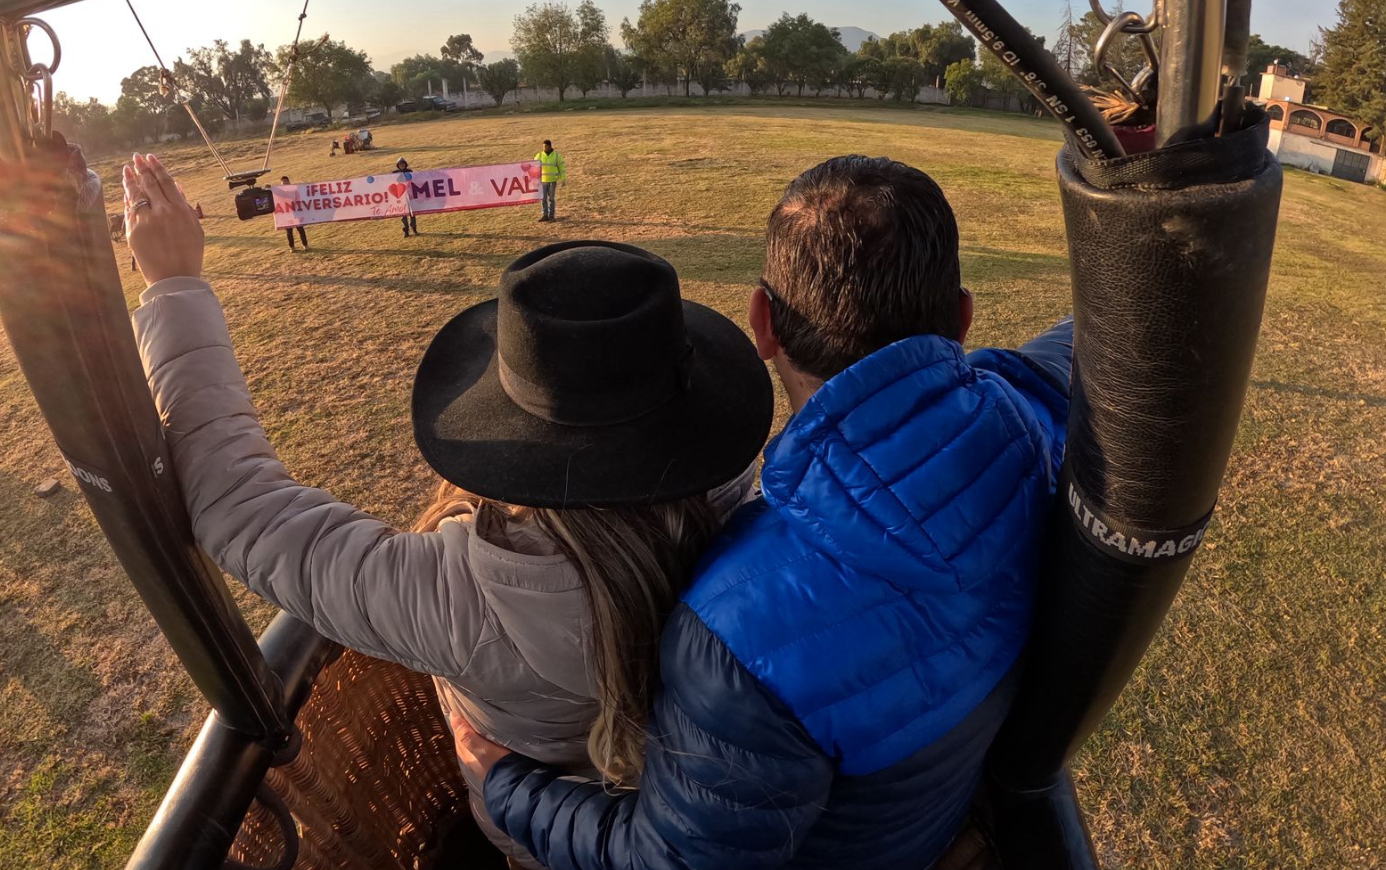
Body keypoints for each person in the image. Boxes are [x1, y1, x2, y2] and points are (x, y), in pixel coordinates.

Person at [120, 152, 774, 869]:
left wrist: (174, 285)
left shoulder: (455, 594)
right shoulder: (762, 521)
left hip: (535, 843)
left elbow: (240, 507)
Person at [455, 155, 1075, 870]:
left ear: (762, 323)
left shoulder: (737, 636)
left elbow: (666, 861)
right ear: (963, 318)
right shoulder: (1033, 417)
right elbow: (1099, 336)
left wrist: (506, 783)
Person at [535, 139, 565, 222]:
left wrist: (563, 178)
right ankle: (545, 215)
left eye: (545, 146)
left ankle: (551, 216)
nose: (544, 148)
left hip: (552, 180)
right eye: (543, 146)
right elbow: (534, 166)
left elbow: (561, 167)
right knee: (543, 198)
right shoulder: (539, 155)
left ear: (549, 146)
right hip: (543, 181)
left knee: (551, 199)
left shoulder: (556, 156)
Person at [278, 176, 308, 251]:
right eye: (283, 182)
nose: (285, 183)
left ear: (289, 182)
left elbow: (298, 199)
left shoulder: (294, 190)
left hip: (296, 213)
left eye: (286, 182)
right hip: (287, 215)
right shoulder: (280, 192)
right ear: (281, 184)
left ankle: (305, 245)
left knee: (301, 229)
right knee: (289, 231)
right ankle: (292, 247)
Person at [394, 157, 419, 236]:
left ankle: (414, 228)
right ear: (398, 165)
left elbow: (414, 181)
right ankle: (406, 231)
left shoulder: (409, 172)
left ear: (405, 164)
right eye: (400, 164)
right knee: (403, 214)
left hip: (410, 195)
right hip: (401, 196)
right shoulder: (395, 174)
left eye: (403, 164)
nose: (402, 165)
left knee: (412, 213)